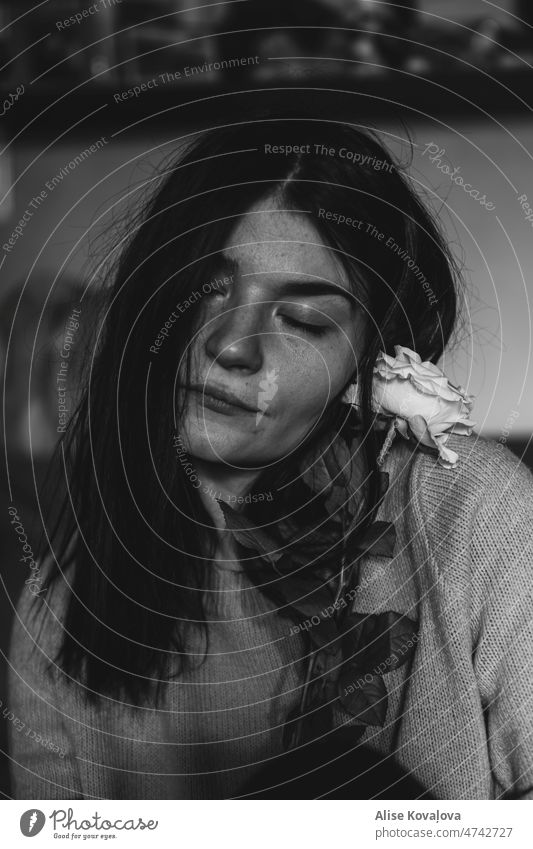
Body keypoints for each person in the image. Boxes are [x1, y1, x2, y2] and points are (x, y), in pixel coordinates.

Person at [7, 104, 533, 800]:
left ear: (366, 360)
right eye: (204, 289)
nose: (231, 345)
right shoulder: (64, 612)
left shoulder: (475, 514)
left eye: (303, 319)